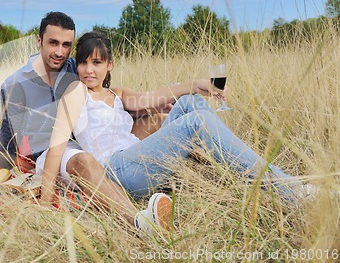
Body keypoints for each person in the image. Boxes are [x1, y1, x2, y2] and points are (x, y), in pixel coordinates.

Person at [39, 31, 307, 207]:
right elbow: (57, 143)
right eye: (84, 62)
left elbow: (154, 97)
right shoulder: (76, 92)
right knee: (196, 122)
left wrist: (195, 85)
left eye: (97, 63)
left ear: (109, 65)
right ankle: (290, 191)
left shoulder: (117, 94)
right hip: (116, 170)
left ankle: (237, 172)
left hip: (139, 158)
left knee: (192, 102)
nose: (88, 70)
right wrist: (46, 196)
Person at [0, 12, 173, 234]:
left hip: (89, 143)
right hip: (54, 153)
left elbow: (104, 106)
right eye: (53, 43)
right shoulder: (14, 85)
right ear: (38, 41)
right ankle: (138, 222)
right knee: (82, 159)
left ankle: (168, 181)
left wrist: (151, 110)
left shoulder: (75, 67)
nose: (59, 52)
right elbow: (8, 141)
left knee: (160, 121)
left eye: (66, 45)